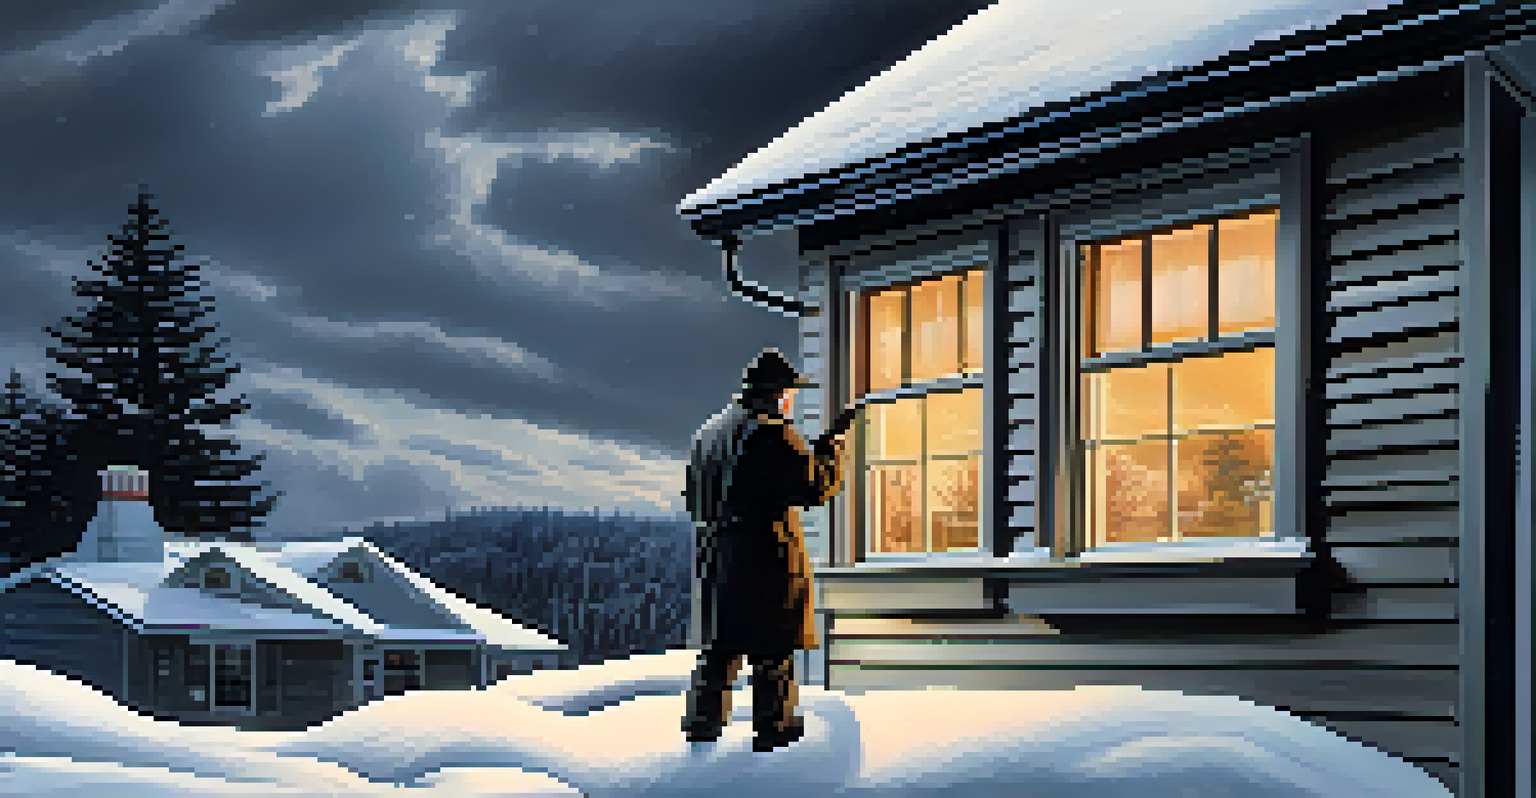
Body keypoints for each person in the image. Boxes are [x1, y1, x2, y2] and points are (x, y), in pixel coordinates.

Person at [681, 347, 845, 752]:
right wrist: (831, 451)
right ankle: (776, 731)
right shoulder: (771, 432)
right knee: (773, 654)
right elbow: (813, 487)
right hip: (763, 560)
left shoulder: (708, 433)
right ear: (777, 394)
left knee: (718, 653)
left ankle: (702, 731)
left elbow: (696, 500)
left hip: (717, 559)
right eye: (788, 393)